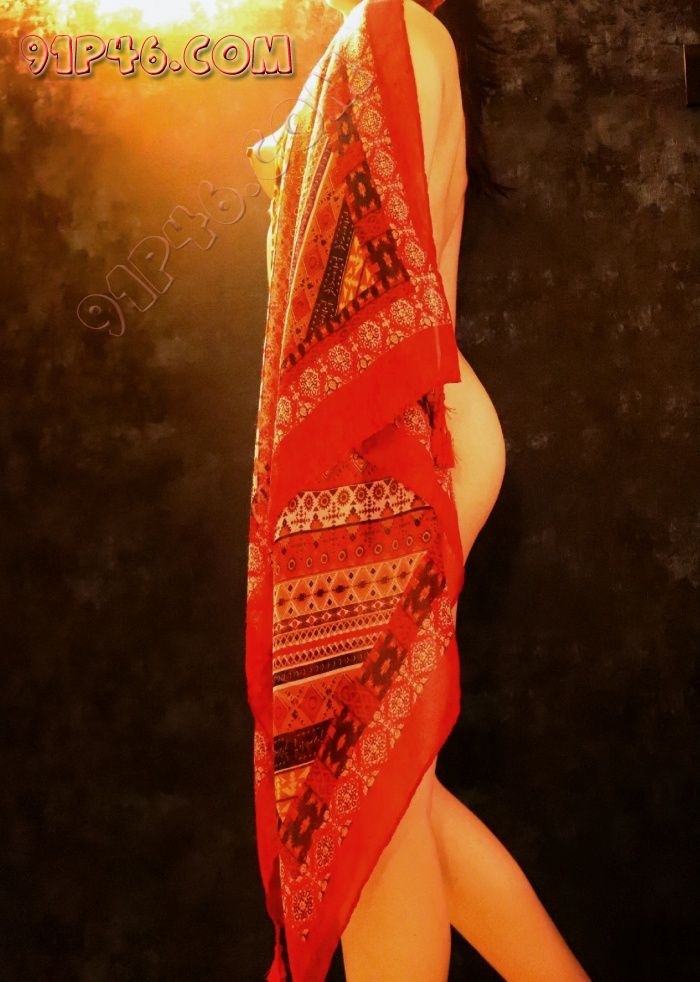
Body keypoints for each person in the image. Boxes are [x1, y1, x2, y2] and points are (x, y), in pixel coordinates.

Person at [246, 2, 590, 979]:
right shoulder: (387, 42)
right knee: (399, 796)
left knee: (362, 808)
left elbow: (368, 305)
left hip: (392, 447)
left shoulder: (388, 31)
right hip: (410, 432)